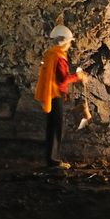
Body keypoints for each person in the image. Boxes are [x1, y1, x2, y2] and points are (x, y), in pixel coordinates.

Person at [34, 22, 85, 168]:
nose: (69, 45)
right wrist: (78, 76)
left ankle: (51, 159)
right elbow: (63, 79)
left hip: (50, 93)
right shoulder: (59, 57)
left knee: (52, 127)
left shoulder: (50, 54)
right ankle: (54, 161)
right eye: (69, 42)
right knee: (56, 127)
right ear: (63, 41)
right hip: (56, 95)